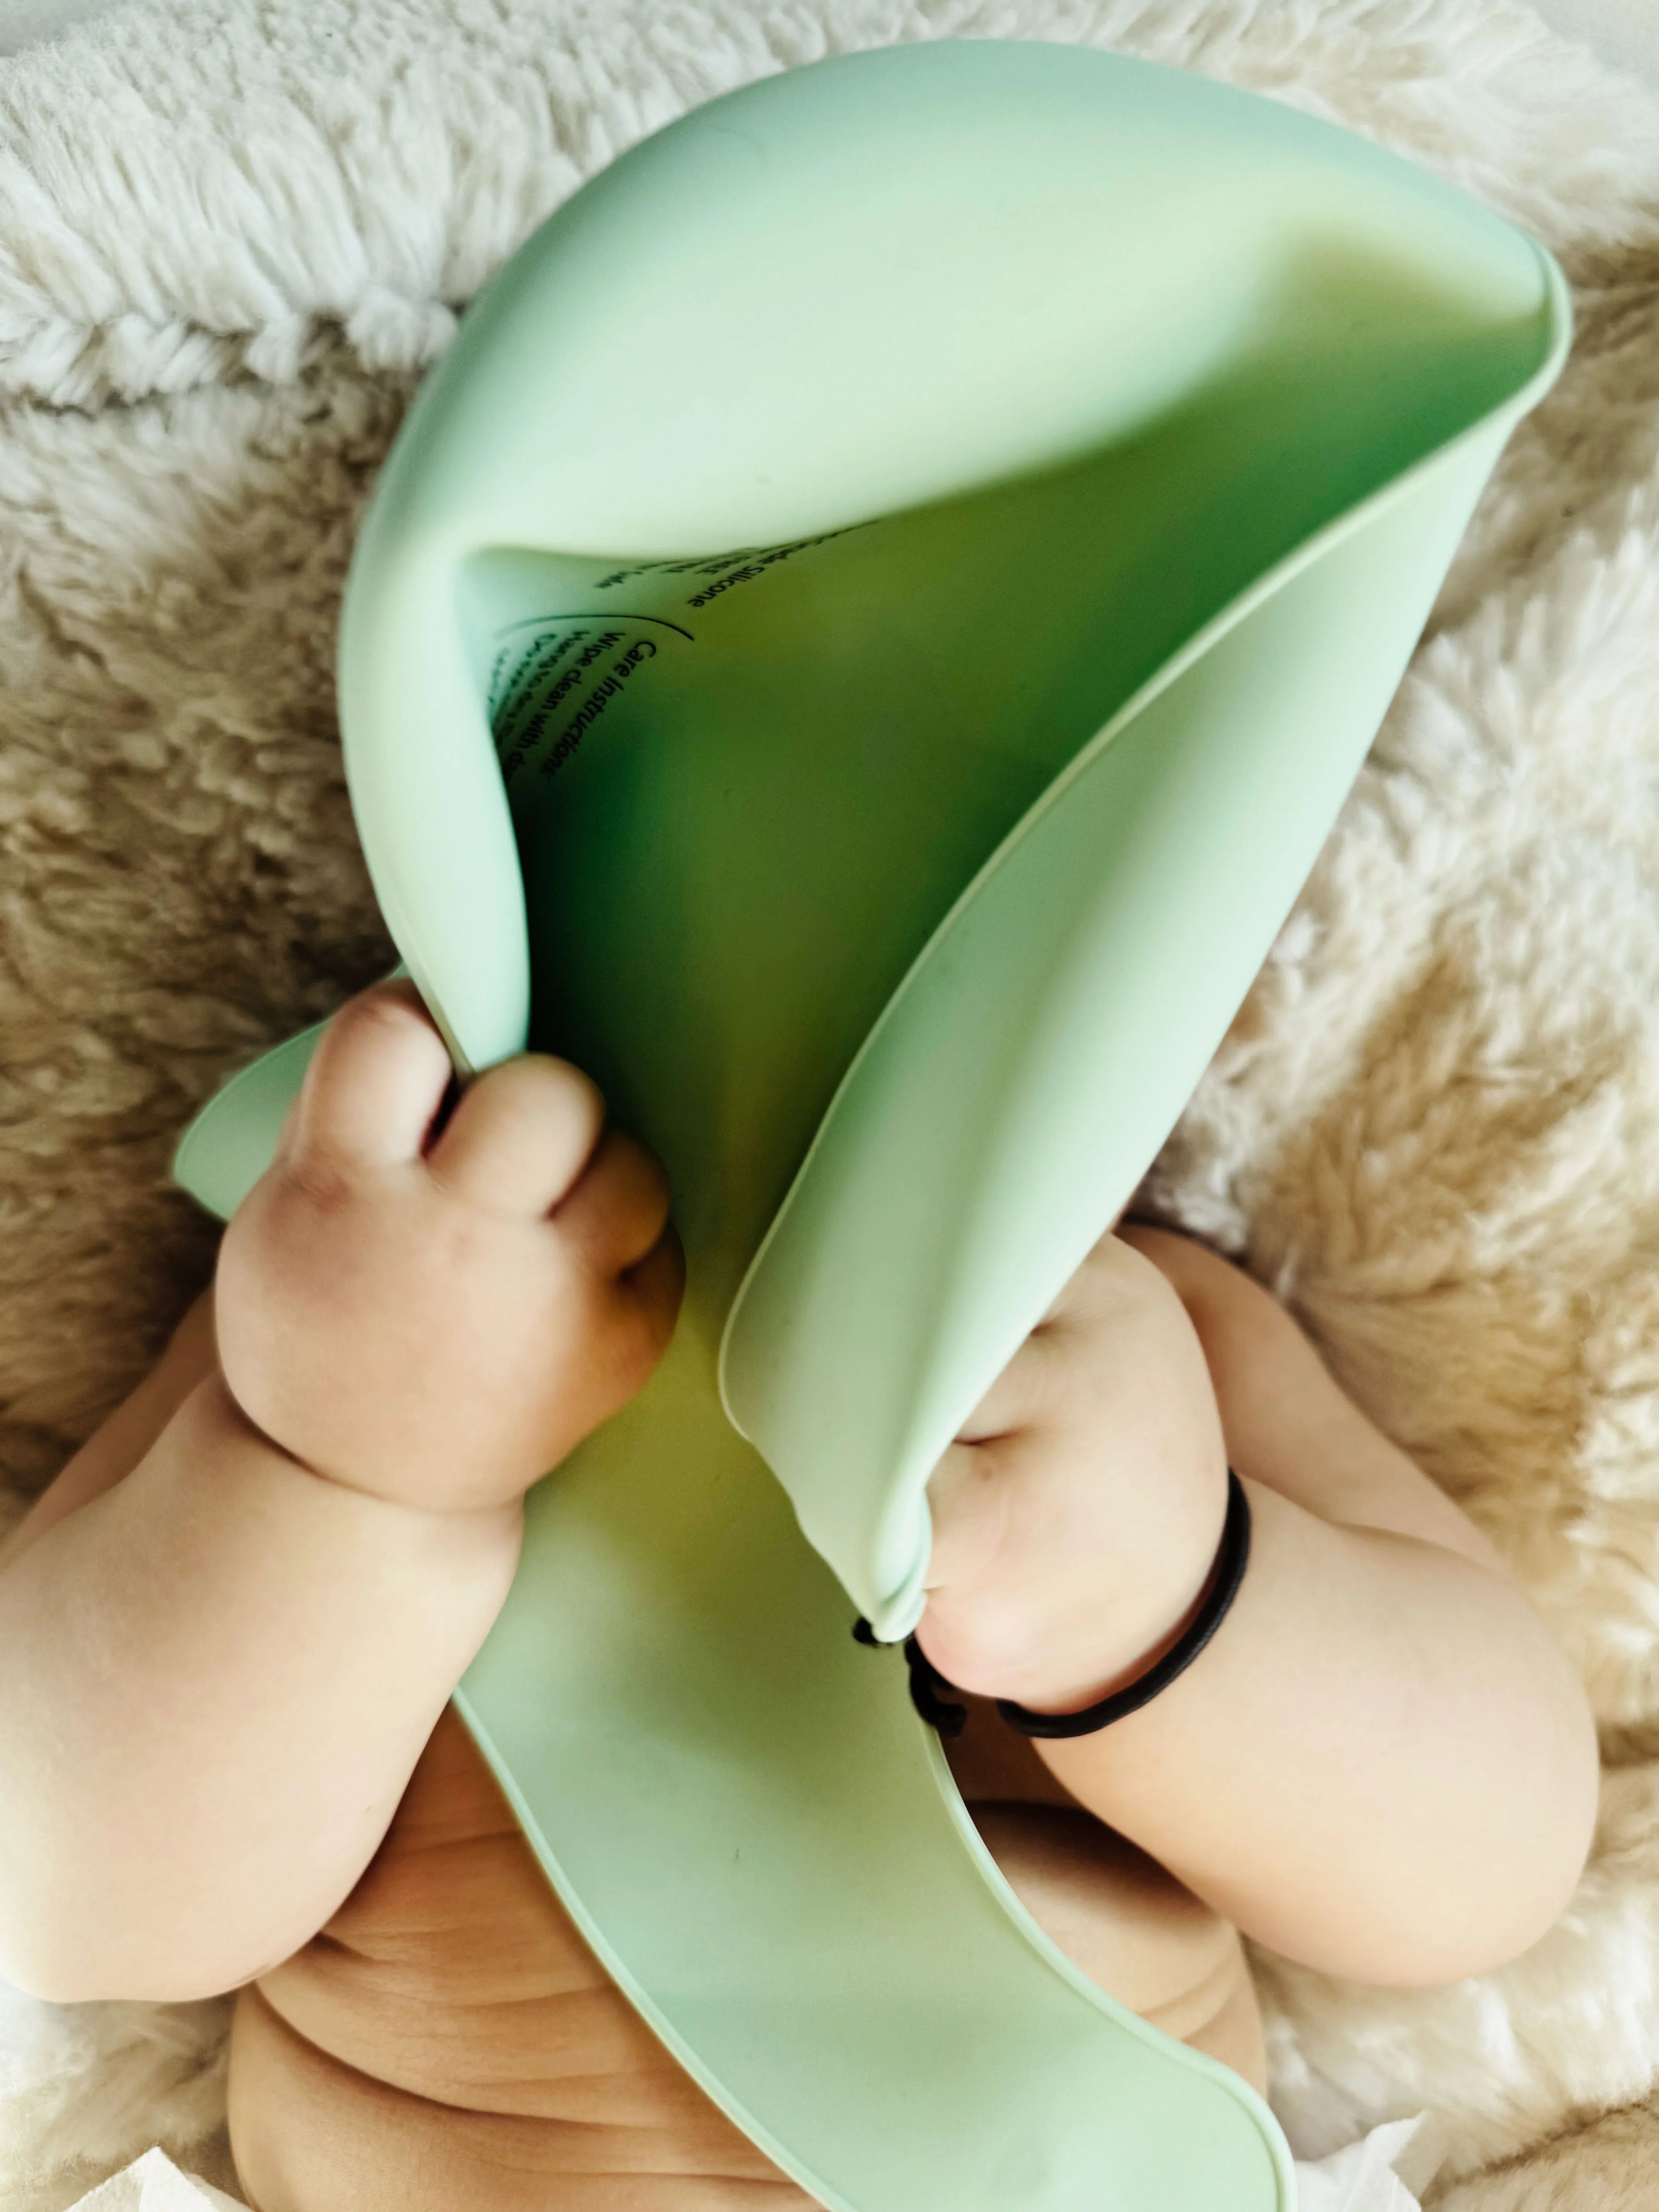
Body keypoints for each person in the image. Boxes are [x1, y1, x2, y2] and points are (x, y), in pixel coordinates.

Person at [0, 980, 1599, 2210]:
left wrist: (1181, 1601)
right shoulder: (358, 1291)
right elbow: (71, 1881)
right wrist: (345, 1465)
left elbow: (1483, 1867)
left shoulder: (1120, 1341)